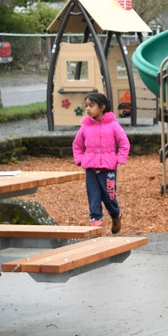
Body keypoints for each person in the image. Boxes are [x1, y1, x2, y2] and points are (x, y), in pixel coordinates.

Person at [72, 92, 130, 234]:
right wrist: (80, 159)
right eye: (86, 106)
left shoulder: (113, 125)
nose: (88, 109)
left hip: (108, 169)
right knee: (93, 196)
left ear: (102, 107)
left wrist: (120, 159)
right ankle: (95, 224)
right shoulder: (85, 126)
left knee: (109, 196)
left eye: (91, 105)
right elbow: (77, 145)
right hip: (91, 168)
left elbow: (124, 143)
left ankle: (116, 215)